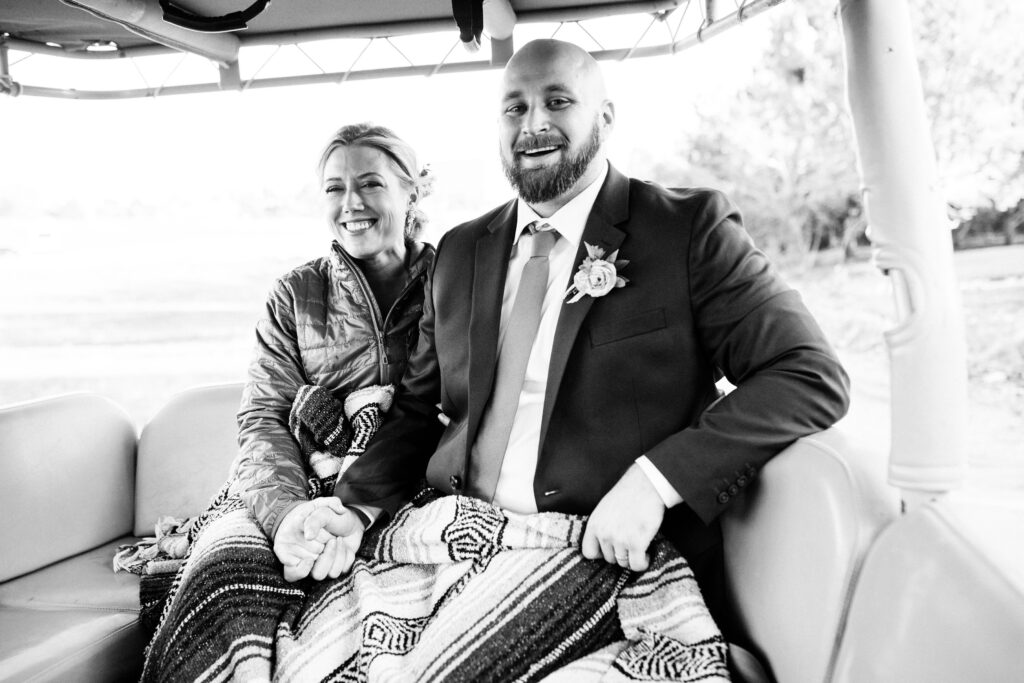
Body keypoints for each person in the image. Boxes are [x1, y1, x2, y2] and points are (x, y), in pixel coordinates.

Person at [298, 39, 850, 634]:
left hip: (605, 557)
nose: (533, 124)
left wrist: (653, 482)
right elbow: (415, 409)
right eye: (514, 108)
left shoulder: (685, 230)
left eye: (557, 101)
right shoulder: (461, 251)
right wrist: (355, 505)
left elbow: (807, 372)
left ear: (605, 118)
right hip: (453, 543)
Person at [230, 122, 435, 581]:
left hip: (416, 486)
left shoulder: (453, 282)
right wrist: (288, 516)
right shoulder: (295, 294)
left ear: (411, 195)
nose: (351, 204)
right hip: (302, 489)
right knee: (233, 579)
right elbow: (264, 417)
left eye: (370, 184)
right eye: (335, 188)